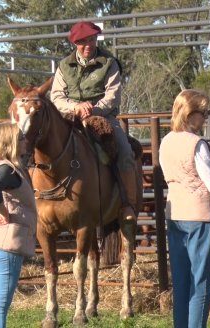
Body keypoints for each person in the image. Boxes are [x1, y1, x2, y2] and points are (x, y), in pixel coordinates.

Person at [51, 21, 138, 221]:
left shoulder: (109, 62)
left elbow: (113, 96)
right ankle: (41, 202)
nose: (88, 45)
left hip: (102, 117)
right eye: (82, 41)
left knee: (125, 152)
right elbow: (56, 97)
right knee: (44, 148)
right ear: (74, 43)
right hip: (70, 117)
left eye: (91, 39)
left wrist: (92, 109)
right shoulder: (64, 66)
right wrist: (75, 107)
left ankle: (127, 206)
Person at [159, 90, 210, 328]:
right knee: (201, 282)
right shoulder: (196, 144)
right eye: (203, 112)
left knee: (181, 280)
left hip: (175, 213)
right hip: (200, 216)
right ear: (191, 113)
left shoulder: (165, 141)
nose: (206, 117)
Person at [0, 123, 37, 328]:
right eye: (21, 138)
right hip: (7, 244)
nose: (26, 141)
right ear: (9, 143)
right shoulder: (6, 169)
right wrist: (5, 213)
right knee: (0, 303)